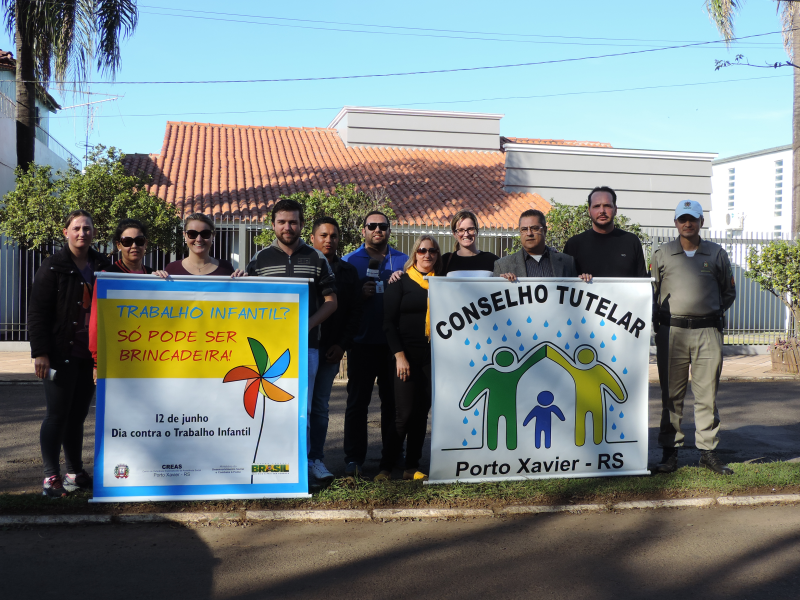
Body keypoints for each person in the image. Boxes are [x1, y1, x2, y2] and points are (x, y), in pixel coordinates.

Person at [246, 199, 338, 481]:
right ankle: (272, 463)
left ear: (301, 225)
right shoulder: (259, 260)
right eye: (282, 222)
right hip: (268, 350)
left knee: (305, 408)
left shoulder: (316, 258)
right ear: (272, 225)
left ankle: (309, 462)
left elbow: (331, 302)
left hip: (306, 348)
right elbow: (245, 304)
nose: (288, 227)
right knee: (270, 407)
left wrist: (305, 327)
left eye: (293, 222)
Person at [28, 209, 112, 498]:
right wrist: (40, 352)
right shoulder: (53, 266)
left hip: (89, 355)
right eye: (76, 228)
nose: (82, 233)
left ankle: (74, 473)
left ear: (94, 233)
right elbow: (38, 312)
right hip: (59, 352)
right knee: (56, 415)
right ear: (66, 232)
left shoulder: (101, 264)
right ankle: (51, 478)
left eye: (87, 228)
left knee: (77, 416)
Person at [651, 199, 736, 475]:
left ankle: (708, 452)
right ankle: (669, 453)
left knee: (707, 394)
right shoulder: (662, 254)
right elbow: (652, 293)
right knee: (671, 395)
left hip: (707, 332)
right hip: (671, 331)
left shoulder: (716, 253)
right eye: (682, 219)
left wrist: (711, 312)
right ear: (675, 222)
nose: (687, 223)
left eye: (693, 219)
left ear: (701, 222)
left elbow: (728, 291)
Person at [341, 212, 409, 479]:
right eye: (372, 226)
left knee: (392, 405)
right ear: (363, 230)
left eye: (383, 226)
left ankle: (392, 457)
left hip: (393, 347)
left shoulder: (403, 260)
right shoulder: (349, 262)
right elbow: (340, 303)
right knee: (357, 404)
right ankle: (353, 459)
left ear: (389, 230)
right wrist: (359, 294)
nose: (377, 230)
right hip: (361, 343)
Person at [307, 216, 362, 482]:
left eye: (334, 236)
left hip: (330, 350)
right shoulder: (303, 266)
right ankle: (293, 461)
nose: (329, 240)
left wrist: (341, 346)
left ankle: (316, 458)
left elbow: (353, 314)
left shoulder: (349, 272)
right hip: (300, 347)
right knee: (296, 406)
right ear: (312, 238)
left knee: (319, 406)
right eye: (323, 235)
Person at [382, 234, 441, 481]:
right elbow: (387, 323)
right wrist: (399, 356)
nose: (427, 255)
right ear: (414, 254)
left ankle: (411, 466)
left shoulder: (443, 285)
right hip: (404, 356)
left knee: (420, 414)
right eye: (422, 250)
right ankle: (386, 466)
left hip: (432, 358)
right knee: (403, 413)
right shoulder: (400, 282)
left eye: (432, 251)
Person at [89, 218, 154, 383]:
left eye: (139, 241)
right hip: (116, 356)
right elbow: (96, 321)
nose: (134, 246)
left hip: (151, 358)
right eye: (127, 241)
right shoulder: (108, 276)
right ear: (118, 245)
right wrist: (97, 362)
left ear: (145, 244)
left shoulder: (154, 276)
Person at [562, 186, 649, 279]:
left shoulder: (631, 241)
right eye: (596, 206)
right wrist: (578, 281)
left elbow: (642, 283)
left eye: (607, 206)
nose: (602, 211)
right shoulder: (574, 244)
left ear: (615, 210)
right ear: (589, 211)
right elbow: (564, 283)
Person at [493, 209, 579, 281]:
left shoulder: (567, 262)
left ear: (544, 231)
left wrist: (584, 282)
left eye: (534, 228)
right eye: (524, 229)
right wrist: (500, 284)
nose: (529, 233)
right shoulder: (503, 266)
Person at [156, 213, 244, 277]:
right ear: (185, 236)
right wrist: (153, 279)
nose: (199, 239)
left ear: (213, 236)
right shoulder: (172, 269)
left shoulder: (226, 269)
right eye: (192, 234)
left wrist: (245, 281)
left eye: (205, 234)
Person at [440, 210, 499, 275]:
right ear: (454, 234)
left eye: (470, 229)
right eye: (461, 230)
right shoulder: (445, 261)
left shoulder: (492, 260)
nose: (466, 234)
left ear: (477, 231)